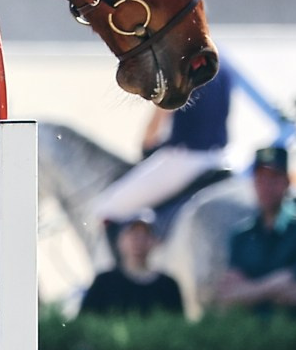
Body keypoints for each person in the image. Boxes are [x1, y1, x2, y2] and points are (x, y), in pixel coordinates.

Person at [89, 59, 235, 230]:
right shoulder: (222, 63)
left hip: (185, 159)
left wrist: (146, 148)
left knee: (105, 209)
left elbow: (154, 128)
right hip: (222, 158)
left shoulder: (182, 62)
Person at [209, 144, 296, 317]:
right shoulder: (242, 236)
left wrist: (248, 290)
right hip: (256, 337)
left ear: (287, 182)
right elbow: (228, 295)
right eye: (261, 178)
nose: (266, 186)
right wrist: (278, 283)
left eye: (274, 178)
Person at [78, 211, 185, 316]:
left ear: (154, 242)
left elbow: (177, 326)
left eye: (145, 236)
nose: (138, 242)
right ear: (120, 241)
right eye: (133, 236)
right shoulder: (104, 282)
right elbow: (85, 323)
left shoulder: (168, 286)